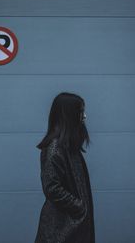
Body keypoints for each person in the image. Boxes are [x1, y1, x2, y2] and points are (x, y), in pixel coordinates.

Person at [34, 92, 95, 243]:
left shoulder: (68, 147)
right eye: (80, 112)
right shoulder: (54, 149)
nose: (84, 117)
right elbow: (52, 188)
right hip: (61, 230)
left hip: (73, 227)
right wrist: (80, 207)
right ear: (69, 115)